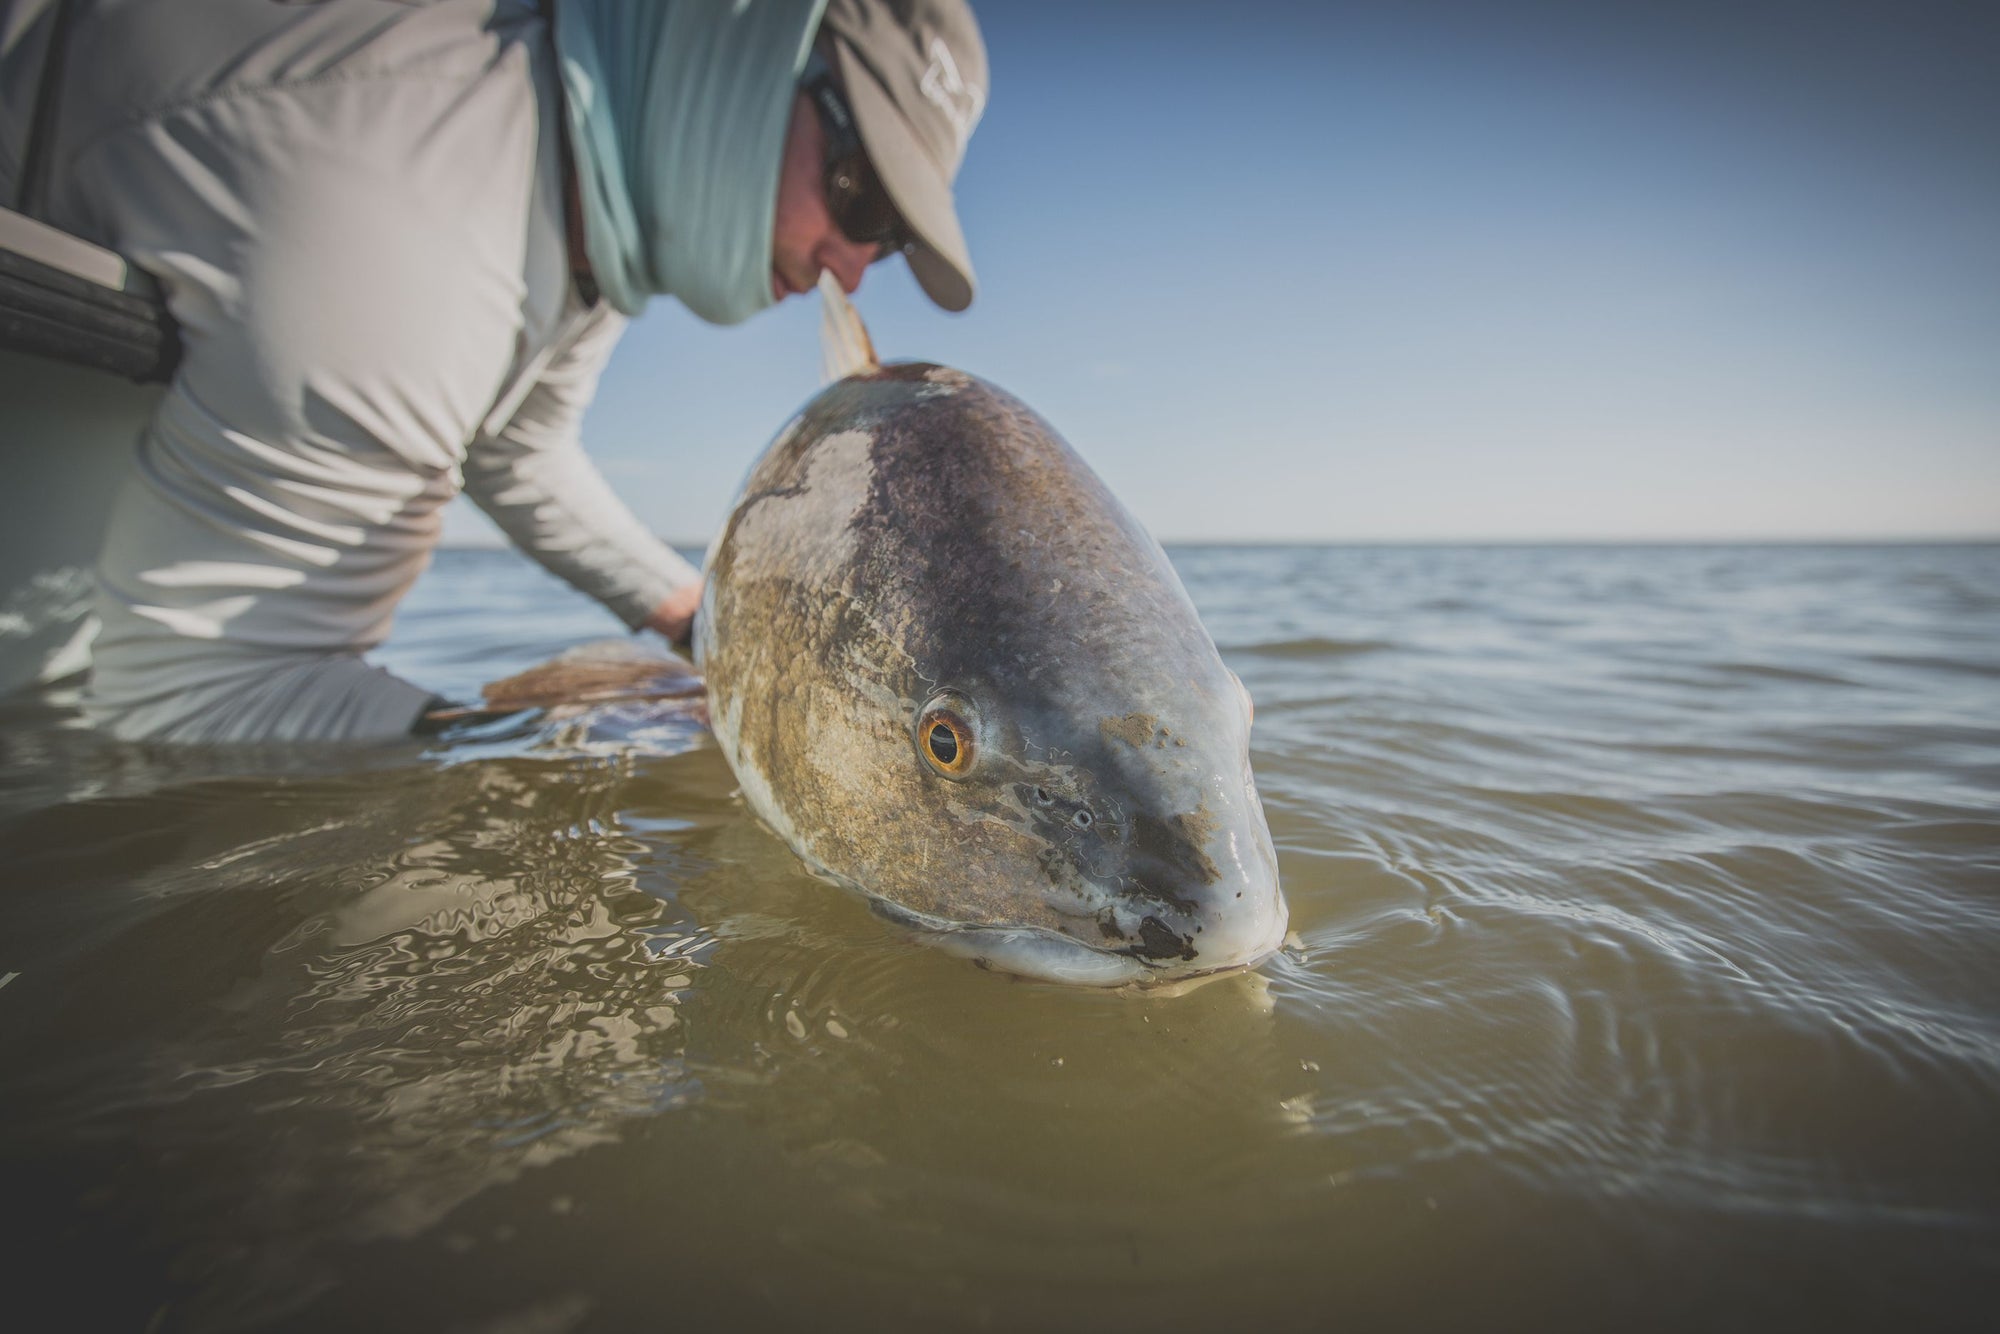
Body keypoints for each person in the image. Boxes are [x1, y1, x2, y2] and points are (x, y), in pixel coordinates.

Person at [0, 0, 987, 742]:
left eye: (891, 239)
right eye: (858, 197)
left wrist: (696, 623)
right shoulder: (411, 230)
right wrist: (589, 740)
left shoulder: (589, 215)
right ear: (748, 45)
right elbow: (188, 692)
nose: (851, 265)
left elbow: (517, 449)